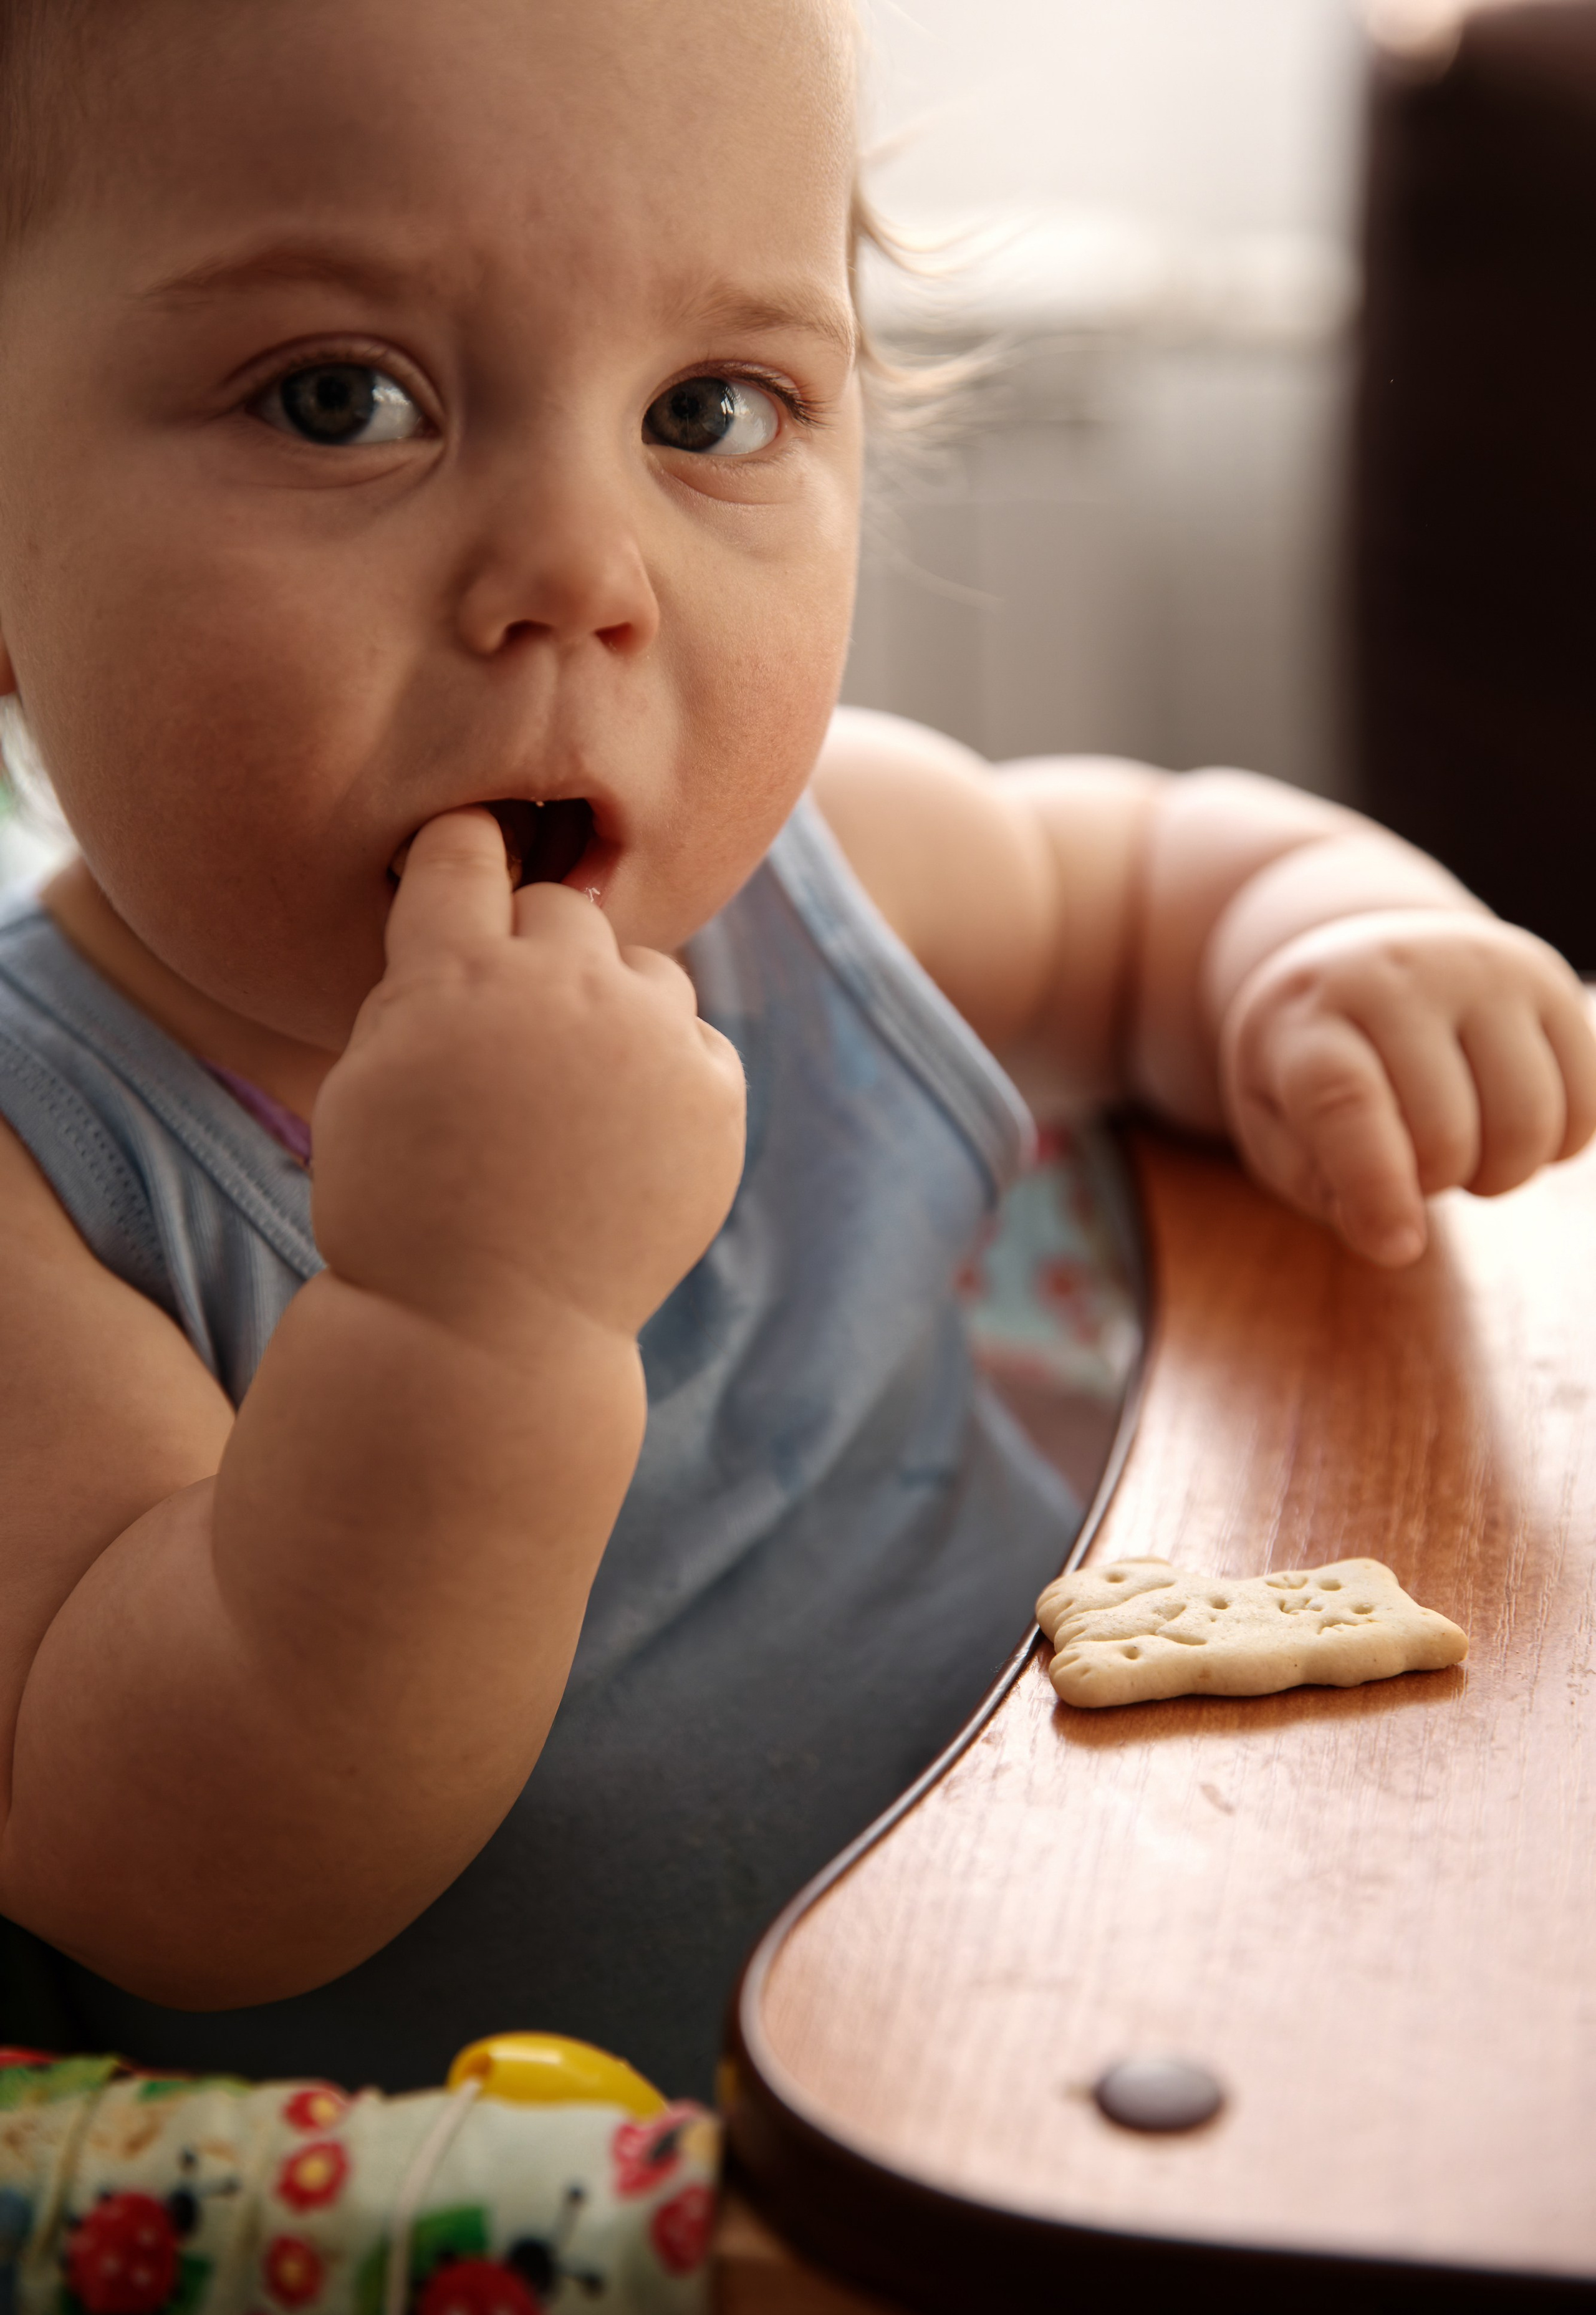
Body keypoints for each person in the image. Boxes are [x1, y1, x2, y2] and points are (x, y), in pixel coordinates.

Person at [0, 0, 1590, 2102]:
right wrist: (479, 1319)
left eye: (712, 408)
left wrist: (1336, 948)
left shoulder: (815, 886)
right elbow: (195, 1862)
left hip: (1136, 1975)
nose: (581, 572)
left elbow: (1141, 883)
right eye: (341, 397)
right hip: (678, 2265)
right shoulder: (42, 1182)